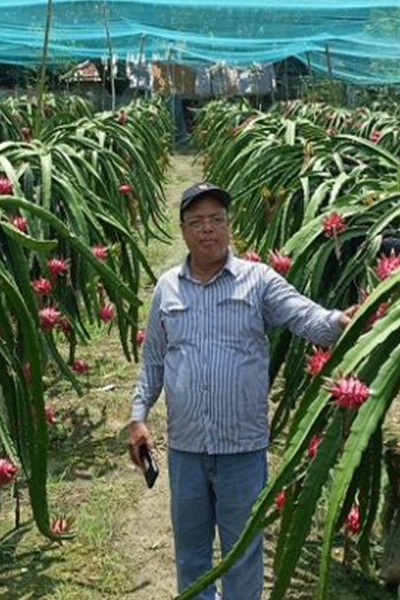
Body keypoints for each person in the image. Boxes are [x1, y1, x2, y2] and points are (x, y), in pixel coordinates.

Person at [127, 183, 354, 600]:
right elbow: (154, 360)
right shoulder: (167, 288)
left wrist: (341, 321)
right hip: (187, 450)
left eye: (216, 220)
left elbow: (307, 317)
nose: (207, 229)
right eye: (197, 222)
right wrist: (138, 417)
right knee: (191, 557)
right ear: (183, 230)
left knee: (243, 555)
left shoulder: (258, 280)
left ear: (229, 226)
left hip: (242, 450)